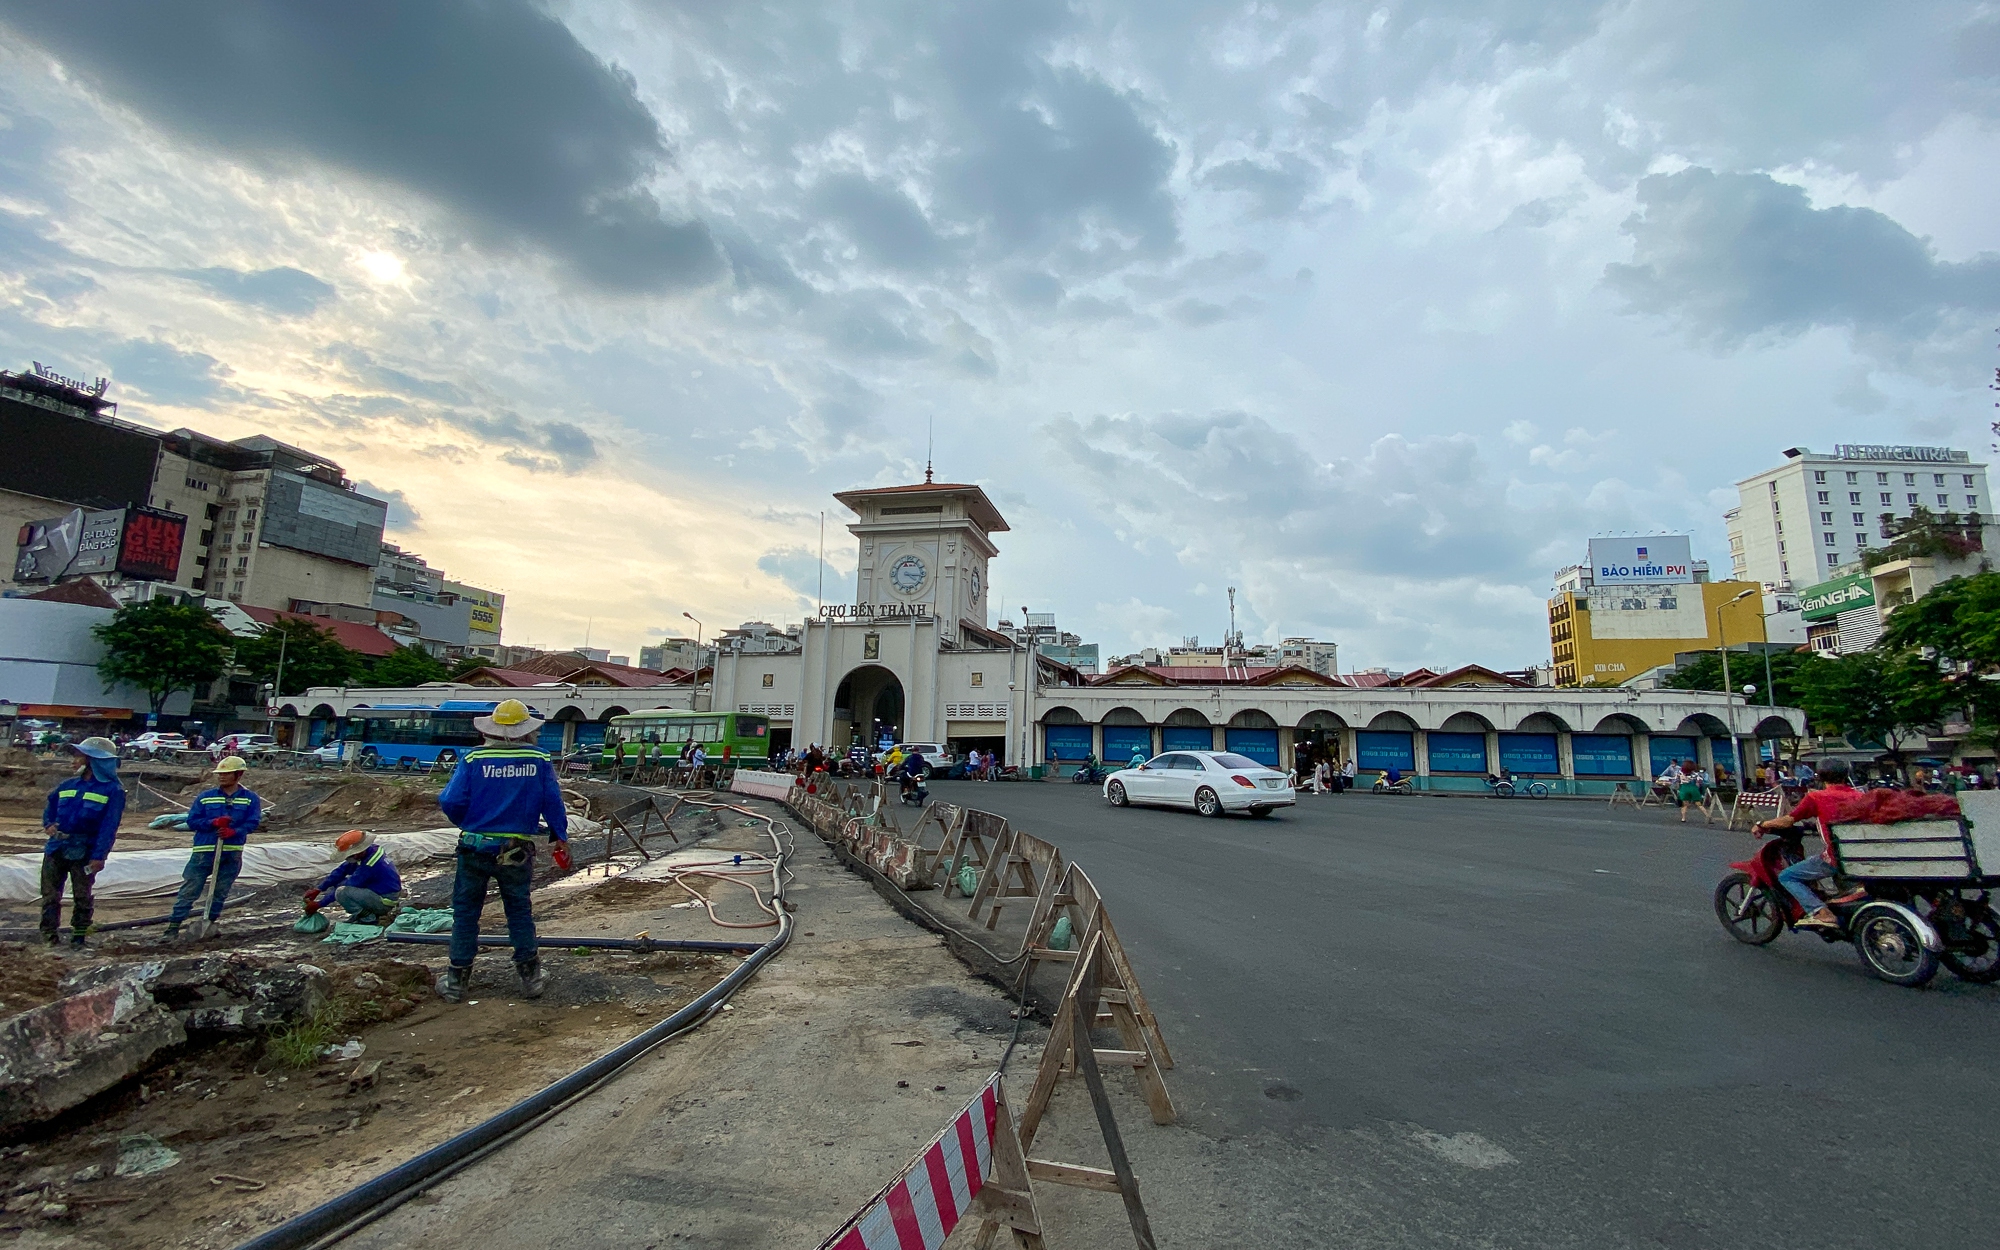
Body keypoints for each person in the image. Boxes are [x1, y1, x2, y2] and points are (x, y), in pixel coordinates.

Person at [436, 699, 570, 1003]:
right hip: (516, 851)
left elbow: (450, 800)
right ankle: (531, 977)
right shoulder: (538, 759)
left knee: (466, 913)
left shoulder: (473, 759)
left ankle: (457, 981)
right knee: (518, 911)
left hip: (474, 847)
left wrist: (470, 823)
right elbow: (552, 802)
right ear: (526, 730)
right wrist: (560, 836)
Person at [1752, 758, 1863, 930]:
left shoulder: (1816, 797)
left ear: (1819, 776)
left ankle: (1821, 913)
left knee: (1787, 876)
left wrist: (1763, 824)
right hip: (1864, 856)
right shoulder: (1860, 796)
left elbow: (1788, 821)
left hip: (1838, 859)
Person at [166, 755, 263, 939]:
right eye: (220, 774)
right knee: (190, 889)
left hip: (231, 853)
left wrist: (235, 832)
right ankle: (173, 926)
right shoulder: (205, 798)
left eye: (226, 774)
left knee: (219, 892)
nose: (221, 777)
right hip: (204, 851)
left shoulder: (250, 799)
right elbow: (193, 821)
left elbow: (253, 822)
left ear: (238, 774)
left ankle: (209, 922)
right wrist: (213, 822)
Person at [40, 737, 124, 947]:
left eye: (78, 756)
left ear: (93, 760)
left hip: (85, 851)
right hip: (57, 848)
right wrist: (48, 824)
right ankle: (48, 935)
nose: (73, 761)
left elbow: (109, 827)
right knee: (50, 895)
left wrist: (99, 856)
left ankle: (79, 936)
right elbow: (50, 806)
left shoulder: (112, 791)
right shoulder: (67, 785)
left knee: (82, 895)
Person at [307, 830, 404, 924]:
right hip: (379, 891)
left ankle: (368, 917)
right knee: (340, 884)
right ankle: (366, 912)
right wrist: (319, 889)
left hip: (386, 900)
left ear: (358, 852)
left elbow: (349, 884)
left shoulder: (370, 864)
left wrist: (319, 904)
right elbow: (341, 871)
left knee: (341, 892)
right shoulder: (370, 851)